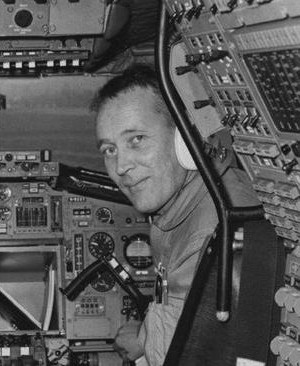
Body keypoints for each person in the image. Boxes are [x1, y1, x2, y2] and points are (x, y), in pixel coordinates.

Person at [92, 64, 259, 365]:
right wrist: (146, 338)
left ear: (185, 139)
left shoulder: (217, 231)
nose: (120, 167)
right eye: (109, 150)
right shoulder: (175, 211)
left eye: (137, 140)